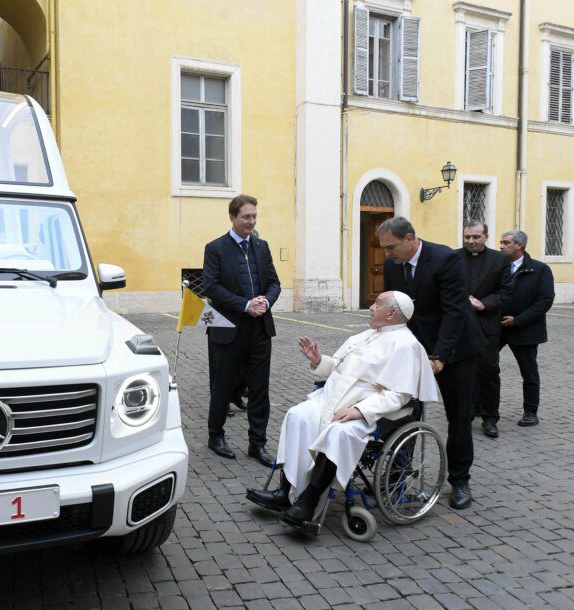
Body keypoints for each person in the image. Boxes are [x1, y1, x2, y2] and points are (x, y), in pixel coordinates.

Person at [246, 291, 439, 528]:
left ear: (391, 313)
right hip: (333, 399)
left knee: (339, 433)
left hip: (375, 412)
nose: (370, 307)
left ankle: (308, 501)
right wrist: (319, 360)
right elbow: (339, 369)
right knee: (298, 416)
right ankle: (286, 490)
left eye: (377, 304)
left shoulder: (406, 345)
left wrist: (360, 410)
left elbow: (397, 395)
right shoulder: (366, 335)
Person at [378, 217, 484, 509]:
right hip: (416, 348)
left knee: (459, 417)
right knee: (403, 412)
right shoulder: (391, 265)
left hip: (457, 349)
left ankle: (460, 481)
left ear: (410, 238)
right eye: (384, 248)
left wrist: (440, 356)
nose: (387, 254)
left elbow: (455, 311)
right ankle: (398, 476)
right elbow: (394, 310)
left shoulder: (445, 259)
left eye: (391, 247)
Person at [203, 194, 281, 465]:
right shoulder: (215, 248)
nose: (251, 221)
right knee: (222, 385)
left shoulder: (261, 246)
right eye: (246, 217)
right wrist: (245, 304)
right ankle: (216, 436)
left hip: (259, 329)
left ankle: (257, 443)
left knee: (259, 388)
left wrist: (265, 301)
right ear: (233, 217)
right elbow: (211, 287)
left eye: (254, 216)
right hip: (228, 329)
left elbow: (274, 282)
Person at [455, 221, 512, 439]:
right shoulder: (453, 257)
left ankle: (490, 418)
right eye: (467, 237)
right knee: (461, 374)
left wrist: (484, 303)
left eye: (476, 237)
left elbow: (506, 290)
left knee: (488, 373)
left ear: (486, 237)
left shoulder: (500, 260)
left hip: (487, 325)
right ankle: (464, 414)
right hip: (460, 326)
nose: (471, 241)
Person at [499, 230, 555, 427]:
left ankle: (531, 411)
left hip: (525, 329)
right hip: (497, 327)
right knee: (485, 366)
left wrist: (518, 320)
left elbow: (545, 301)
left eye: (506, 243)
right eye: (501, 242)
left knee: (529, 372)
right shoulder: (498, 267)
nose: (501, 246)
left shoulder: (539, 269)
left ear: (519, 245)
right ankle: (483, 407)